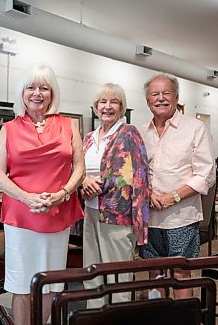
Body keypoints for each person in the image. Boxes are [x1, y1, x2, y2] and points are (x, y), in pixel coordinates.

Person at [0, 64, 85, 325]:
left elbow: (78, 167)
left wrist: (62, 194)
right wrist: (27, 198)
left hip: (57, 213)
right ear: (21, 93)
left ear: (52, 93)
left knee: (53, 282)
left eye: (44, 87)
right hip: (22, 216)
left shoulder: (68, 125)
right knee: (22, 282)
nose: (37, 93)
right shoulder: (8, 128)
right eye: (31, 87)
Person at [139, 73, 216, 298]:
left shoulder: (195, 128)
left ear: (176, 97)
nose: (161, 98)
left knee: (181, 273)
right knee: (154, 271)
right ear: (147, 100)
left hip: (181, 217)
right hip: (150, 217)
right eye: (155, 94)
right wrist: (149, 192)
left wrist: (173, 196)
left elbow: (206, 174)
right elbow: (136, 173)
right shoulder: (140, 132)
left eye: (166, 93)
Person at [81, 83, 149, 307]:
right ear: (95, 106)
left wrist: (100, 184)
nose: (107, 107)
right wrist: (84, 182)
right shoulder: (89, 138)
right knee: (92, 274)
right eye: (103, 101)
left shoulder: (129, 133)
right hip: (90, 212)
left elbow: (138, 175)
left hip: (117, 216)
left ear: (122, 108)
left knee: (117, 278)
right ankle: (94, 319)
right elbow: (78, 169)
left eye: (114, 102)